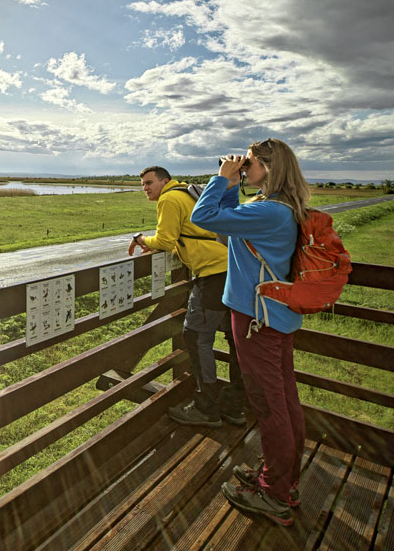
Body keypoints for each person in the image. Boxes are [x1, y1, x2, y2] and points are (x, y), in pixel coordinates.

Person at [191, 139, 309, 528]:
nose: (243, 167)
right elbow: (227, 225)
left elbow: (204, 217)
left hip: (258, 321)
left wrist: (220, 177)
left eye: (251, 163)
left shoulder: (269, 211)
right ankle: (283, 479)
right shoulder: (279, 209)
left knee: (271, 405)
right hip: (274, 317)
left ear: (270, 170)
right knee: (284, 400)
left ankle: (274, 494)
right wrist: (232, 186)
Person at [128, 166, 245, 428]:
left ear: (164, 181)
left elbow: (167, 241)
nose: (145, 188)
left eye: (149, 183)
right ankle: (235, 408)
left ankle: (207, 409)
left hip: (213, 274)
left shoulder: (169, 198)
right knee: (235, 338)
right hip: (231, 270)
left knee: (195, 337)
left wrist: (141, 238)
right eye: (142, 184)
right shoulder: (187, 193)